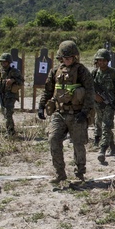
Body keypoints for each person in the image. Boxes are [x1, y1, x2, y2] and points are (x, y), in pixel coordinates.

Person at [39, 41, 94, 183]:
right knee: (53, 140)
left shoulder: (82, 71)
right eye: (65, 57)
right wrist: (41, 106)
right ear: (60, 58)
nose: (67, 60)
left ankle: (79, 175)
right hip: (60, 113)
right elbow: (48, 90)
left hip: (77, 114)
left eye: (70, 57)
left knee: (78, 144)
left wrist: (84, 112)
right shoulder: (55, 71)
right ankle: (60, 174)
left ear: (75, 57)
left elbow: (90, 93)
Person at [91, 49, 115, 164]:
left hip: (110, 105)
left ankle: (102, 150)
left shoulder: (114, 73)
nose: (102, 63)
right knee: (99, 124)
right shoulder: (94, 73)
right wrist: (95, 96)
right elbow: (89, 88)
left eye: (104, 61)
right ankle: (113, 146)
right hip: (98, 105)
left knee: (106, 126)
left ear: (108, 61)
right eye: (99, 61)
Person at [0, 53, 23, 136]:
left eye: (5, 62)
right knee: (6, 113)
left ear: (9, 62)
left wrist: (13, 80)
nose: (3, 64)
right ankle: (11, 129)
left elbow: (21, 81)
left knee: (8, 112)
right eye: (2, 62)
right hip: (2, 95)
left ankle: (10, 131)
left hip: (11, 95)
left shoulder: (15, 71)